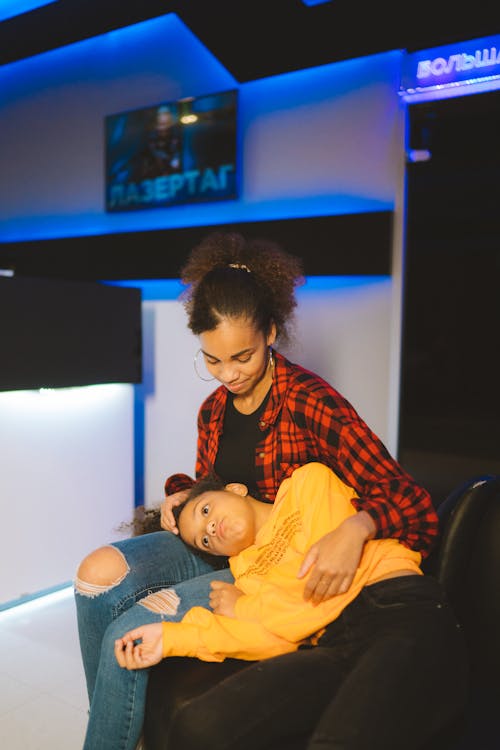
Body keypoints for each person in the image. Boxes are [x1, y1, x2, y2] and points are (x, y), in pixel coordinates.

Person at [74, 231, 440, 750]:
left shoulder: (311, 402)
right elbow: (216, 488)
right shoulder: (214, 412)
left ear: (270, 332)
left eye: (241, 357)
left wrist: (356, 529)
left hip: (269, 563)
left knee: (125, 630)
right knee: (95, 577)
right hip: (220, 543)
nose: (228, 375)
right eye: (213, 361)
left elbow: (408, 499)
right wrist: (182, 495)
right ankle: (112, 724)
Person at [114, 462, 467, 750]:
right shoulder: (245, 572)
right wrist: (170, 637)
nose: (211, 528)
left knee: (341, 739)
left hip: (395, 609)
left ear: (234, 489)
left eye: (206, 510)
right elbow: (275, 639)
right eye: (204, 540)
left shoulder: (307, 483)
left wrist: (249, 609)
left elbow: (325, 588)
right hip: (329, 643)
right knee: (197, 726)